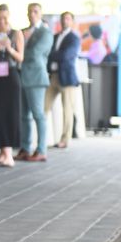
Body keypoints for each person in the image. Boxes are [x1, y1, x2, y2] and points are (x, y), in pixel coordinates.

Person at [0, 4, 24, 168]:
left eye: (4, 18)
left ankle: (8, 154)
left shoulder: (16, 34)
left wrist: (8, 48)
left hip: (10, 77)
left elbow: (20, 57)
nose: (2, 21)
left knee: (10, 113)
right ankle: (1, 153)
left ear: (9, 17)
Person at [16, 3, 53, 162]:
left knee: (38, 114)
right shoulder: (24, 31)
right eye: (30, 11)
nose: (32, 14)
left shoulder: (45, 32)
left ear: (40, 13)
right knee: (24, 115)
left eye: (35, 11)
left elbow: (35, 53)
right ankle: (25, 148)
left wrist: (20, 46)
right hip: (23, 76)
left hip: (36, 78)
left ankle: (41, 150)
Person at [46, 11, 82, 149]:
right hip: (53, 76)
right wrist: (54, 55)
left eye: (67, 19)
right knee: (44, 107)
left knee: (67, 109)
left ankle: (65, 139)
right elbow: (48, 54)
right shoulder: (55, 37)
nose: (65, 21)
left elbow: (67, 55)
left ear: (72, 21)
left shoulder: (74, 38)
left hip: (67, 78)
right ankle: (42, 138)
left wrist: (53, 55)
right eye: (63, 19)